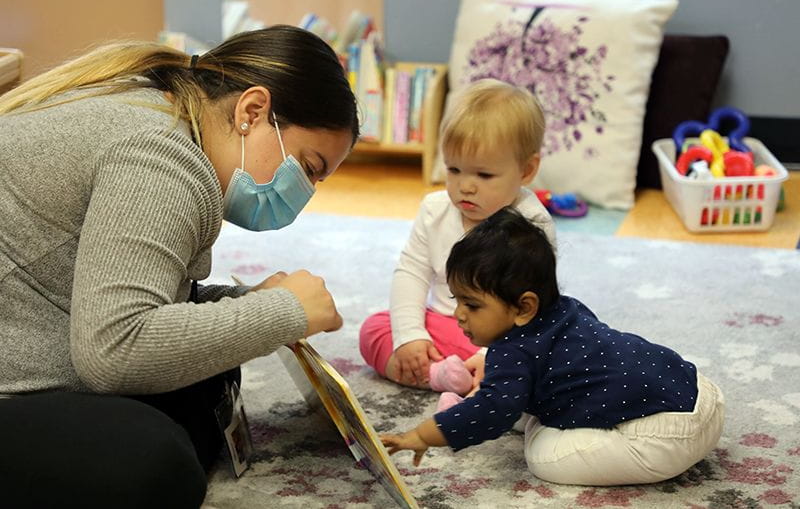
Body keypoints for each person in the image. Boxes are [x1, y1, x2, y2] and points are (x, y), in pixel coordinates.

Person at [0, 25, 359, 508]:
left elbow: (142, 293)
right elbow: (113, 349)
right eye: (309, 167)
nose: (306, 192)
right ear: (253, 111)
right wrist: (283, 313)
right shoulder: (163, 158)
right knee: (155, 462)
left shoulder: (155, 107)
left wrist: (249, 305)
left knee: (206, 375)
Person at [381, 207, 725, 486]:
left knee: (543, 455)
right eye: (457, 301)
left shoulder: (512, 352)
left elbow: (492, 413)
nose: (457, 315)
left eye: (471, 305)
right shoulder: (567, 308)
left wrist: (423, 435)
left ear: (524, 307)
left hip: (665, 439)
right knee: (526, 399)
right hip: (705, 395)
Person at [359, 79, 555, 397]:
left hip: (502, 335)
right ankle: (443, 377)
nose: (465, 186)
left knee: (548, 351)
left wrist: (487, 356)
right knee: (375, 330)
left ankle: (473, 377)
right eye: (454, 170)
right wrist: (410, 336)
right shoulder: (434, 210)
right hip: (443, 325)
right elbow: (411, 273)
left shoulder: (531, 224)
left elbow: (535, 307)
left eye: (484, 175)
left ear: (527, 170)